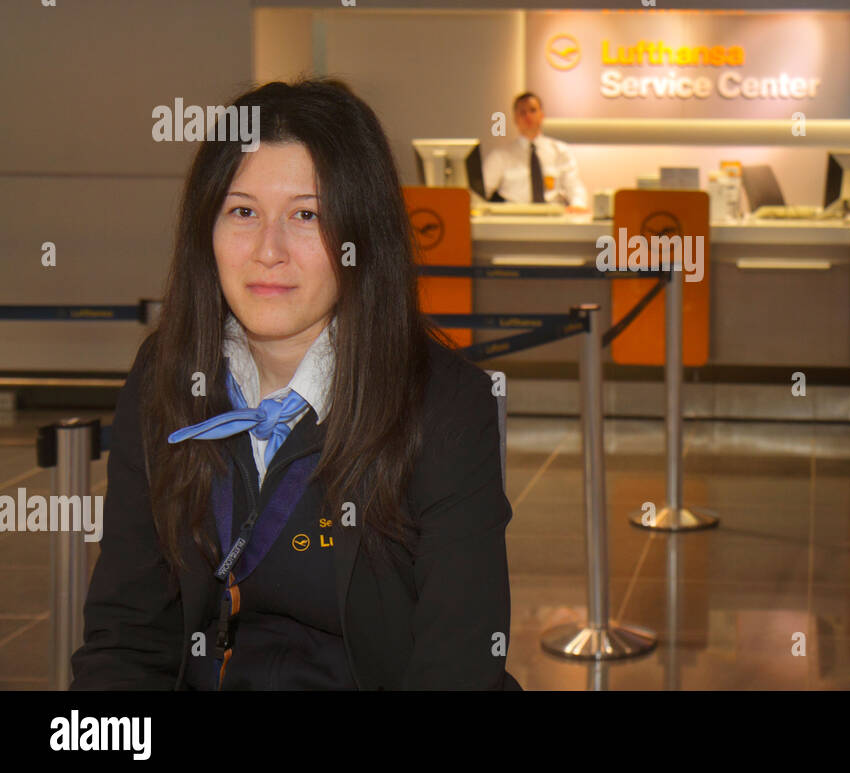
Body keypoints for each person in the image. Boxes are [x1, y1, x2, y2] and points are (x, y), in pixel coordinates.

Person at [70, 79, 520, 690]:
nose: (268, 250)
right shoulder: (166, 378)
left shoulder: (443, 405)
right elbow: (126, 635)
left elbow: (456, 665)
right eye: (243, 211)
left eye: (306, 215)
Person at [474, 92, 588, 210]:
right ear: (515, 118)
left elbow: (573, 186)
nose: (528, 116)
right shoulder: (500, 156)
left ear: (541, 115)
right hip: (512, 220)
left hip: (553, 219)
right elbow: (479, 194)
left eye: (533, 110)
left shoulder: (561, 151)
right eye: (522, 112)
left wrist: (578, 205)